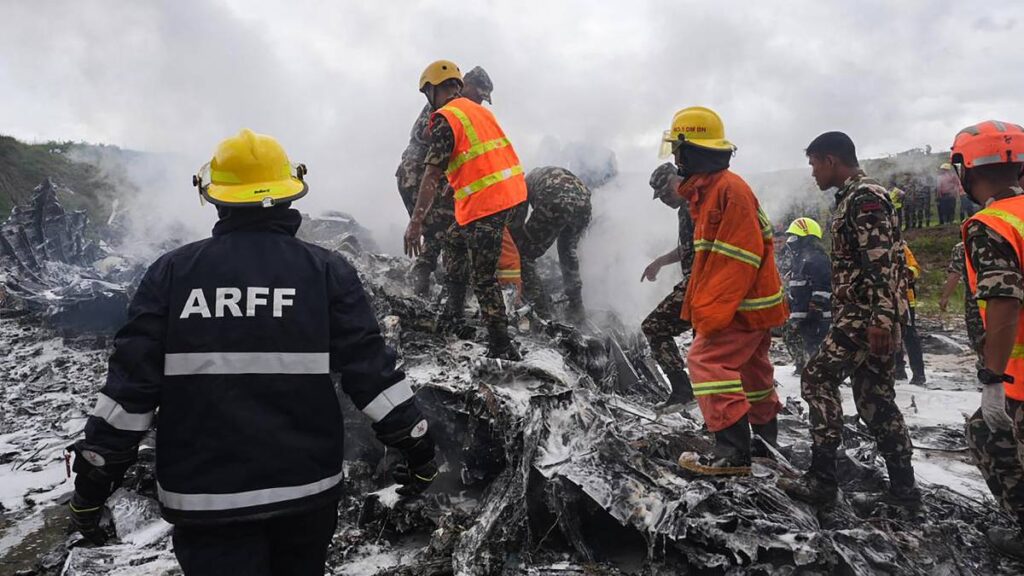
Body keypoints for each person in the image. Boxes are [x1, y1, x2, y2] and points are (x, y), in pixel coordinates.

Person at [66, 129, 438, 575]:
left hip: (206, 502)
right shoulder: (325, 272)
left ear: (217, 198)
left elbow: (129, 394)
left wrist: (92, 485)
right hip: (306, 494)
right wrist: (418, 449)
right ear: (289, 195)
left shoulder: (171, 274)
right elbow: (372, 375)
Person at [779, 131, 920, 508]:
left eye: (813, 164)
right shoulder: (855, 197)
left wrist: (880, 319)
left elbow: (881, 262)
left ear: (830, 160)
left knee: (816, 377)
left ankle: (823, 477)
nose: (812, 173)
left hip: (864, 316)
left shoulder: (864, 198)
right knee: (875, 399)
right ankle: (905, 491)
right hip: (869, 314)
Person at [658, 107, 787, 475]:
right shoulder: (715, 189)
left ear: (693, 149)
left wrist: (711, 316)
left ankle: (732, 453)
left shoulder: (727, 191)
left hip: (739, 307)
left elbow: (737, 259)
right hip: (751, 306)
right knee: (751, 375)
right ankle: (764, 445)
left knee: (707, 362)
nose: (674, 157)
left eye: (678, 148)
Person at [404, 60, 527, 360]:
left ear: (435, 89)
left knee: (483, 277)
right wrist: (455, 184)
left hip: (489, 203)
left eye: (427, 93)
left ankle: (501, 344)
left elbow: (431, 175)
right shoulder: (479, 111)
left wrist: (416, 223)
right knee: (454, 241)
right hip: (508, 195)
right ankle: (453, 316)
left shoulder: (447, 117)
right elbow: (477, 156)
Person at [952, 120, 1024, 560]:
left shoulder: (990, 224)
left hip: (1019, 376)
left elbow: (1002, 299)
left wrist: (992, 378)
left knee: (985, 433)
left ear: (966, 169)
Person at [398, 68, 494, 297]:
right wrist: (416, 220)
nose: (480, 102)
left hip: (433, 177)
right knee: (443, 227)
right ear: (466, 85)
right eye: (479, 95)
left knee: (444, 227)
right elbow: (427, 138)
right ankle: (431, 287)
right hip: (418, 174)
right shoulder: (446, 104)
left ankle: (432, 286)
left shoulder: (460, 108)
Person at [641, 162, 696, 412]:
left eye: (665, 193)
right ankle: (715, 420)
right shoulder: (685, 208)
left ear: (677, 181)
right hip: (700, 284)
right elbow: (687, 248)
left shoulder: (695, 206)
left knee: (654, 326)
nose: (663, 199)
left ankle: (683, 391)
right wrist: (660, 262)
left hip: (701, 284)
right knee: (704, 352)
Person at [509, 166, 592, 324]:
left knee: (524, 256)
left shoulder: (522, 185)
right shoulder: (546, 174)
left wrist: (516, 247)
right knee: (568, 252)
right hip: (584, 204)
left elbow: (517, 224)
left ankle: (543, 313)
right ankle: (576, 307)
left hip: (555, 199)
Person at [784, 217, 832, 373]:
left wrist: (815, 310)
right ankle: (802, 367)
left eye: (794, 237)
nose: (790, 241)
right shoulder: (799, 259)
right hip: (800, 312)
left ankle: (818, 372)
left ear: (806, 238)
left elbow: (823, 287)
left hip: (815, 315)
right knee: (796, 340)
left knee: (815, 345)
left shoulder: (817, 259)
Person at [939, 241, 984, 363]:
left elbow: (955, 274)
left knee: (979, 336)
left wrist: (945, 297)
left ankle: (988, 367)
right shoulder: (1006, 241)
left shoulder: (963, 247)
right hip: (1009, 298)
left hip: (976, 301)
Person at [895, 244, 926, 385]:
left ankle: (919, 374)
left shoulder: (901, 246)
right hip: (884, 298)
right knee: (891, 334)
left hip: (905, 298)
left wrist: (909, 272)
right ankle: (898, 371)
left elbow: (915, 268)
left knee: (909, 335)